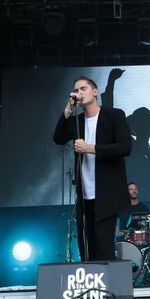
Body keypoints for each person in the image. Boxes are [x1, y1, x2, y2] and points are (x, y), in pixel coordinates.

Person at [53, 76, 132, 261]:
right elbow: (58, 138)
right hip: (84, 196)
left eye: (83, 88)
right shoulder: (77, 121)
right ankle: (91, 289)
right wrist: (67, 111)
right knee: (86, 249)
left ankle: (109, 290)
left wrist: (91, 148)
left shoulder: (114, 115)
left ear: (95, 91)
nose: (79, 93)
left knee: (104, 248)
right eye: (76, 90)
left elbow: (125, 147)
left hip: (106, 194)